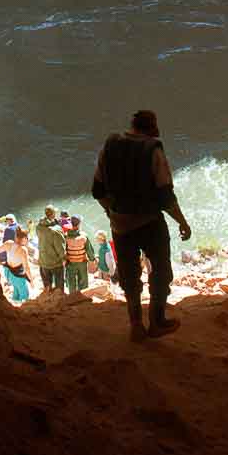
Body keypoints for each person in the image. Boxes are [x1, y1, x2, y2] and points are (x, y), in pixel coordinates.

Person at [92, 108, 191, 342]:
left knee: (129, 274)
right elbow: (166, 195)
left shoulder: (110, 145)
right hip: (149, 222)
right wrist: (183, 222)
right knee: (160, 270)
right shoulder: (153, 149)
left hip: (119, 224)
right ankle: (157, 321)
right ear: (152, 127)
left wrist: (111, 211)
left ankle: (135, 324)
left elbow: (97, 190)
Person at [0, 226, 32, 303]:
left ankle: (15, 303)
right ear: (24, 239)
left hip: (7, 273)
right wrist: (31, 280)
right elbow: (26, 267)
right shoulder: (23, 250)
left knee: (16, 289)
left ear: (15, 236)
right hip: (17, 276)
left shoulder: (8, 243)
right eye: (27, 238)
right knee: (25, 295)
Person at [36, 206, 67, 293]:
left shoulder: (38, 227)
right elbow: (60, 248)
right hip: (55, 263)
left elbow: (44, 226)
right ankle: (59, 301)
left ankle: (48, 298)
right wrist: (64, 259)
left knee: (47, 285)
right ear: (53, 214)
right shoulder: (56, 231)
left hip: (43, 260)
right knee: (59, 286)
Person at [64, 215, 95, 294]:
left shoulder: (65, 236)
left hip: (71, 263)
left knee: (71, 281)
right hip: (82, 262)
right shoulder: (84, 236)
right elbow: (89, 250)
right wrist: (92, 259)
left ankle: (72, 296)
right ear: (79, 224)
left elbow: (63, 250)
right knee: (83, 281)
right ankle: (83, 296)